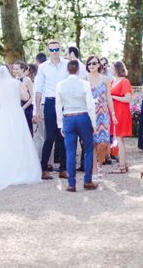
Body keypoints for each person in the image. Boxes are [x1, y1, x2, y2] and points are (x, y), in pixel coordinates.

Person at [55, 60, 99, 192]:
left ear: (67, 70)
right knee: (88, 149)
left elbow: (58, 107)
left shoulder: (60, 85)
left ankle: (71, 184)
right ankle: (87, 181)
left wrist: (60, 124)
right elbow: (91, 105)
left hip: (68, 118)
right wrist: (94, 123)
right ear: (78, 70)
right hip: (83, 116)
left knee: (70, 152)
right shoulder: (85, 84)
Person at [35, 40, 69, 180]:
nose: (54, 52)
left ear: (60, 49)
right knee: (49, 137)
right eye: (52, 50)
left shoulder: (67, 65)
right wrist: (37, 109)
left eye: (57, 49)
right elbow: (38, 89)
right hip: (49, 102)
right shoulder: (43, 67)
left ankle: (63, 168)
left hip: (64, 103)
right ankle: (43, 169)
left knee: (63, 136)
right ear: (48, 51)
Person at [85, 55, 117, 178]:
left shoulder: (105, 79)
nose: (91, 66)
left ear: (99, 64)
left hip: (103, 114)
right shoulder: (84, 79)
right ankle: (94, 170)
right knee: (92, 143)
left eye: (94, 63)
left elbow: (109, 97)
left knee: (103, 143)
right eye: (89, 64)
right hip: (90, 114)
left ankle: (100, 164)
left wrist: (113, 113)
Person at [109, 61, 133, 174]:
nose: (110, 69)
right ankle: (124, 164)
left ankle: (122, 166)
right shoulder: (112, 81)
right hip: (114, 112)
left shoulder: (125, 81)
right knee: (118, 139)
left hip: (121, 112)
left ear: (117, 69)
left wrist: (113, 97)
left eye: (112, 67)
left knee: (119, 139)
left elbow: (128, 98)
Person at [13, 61, 35, 134]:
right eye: (14, 69)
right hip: (16, 108)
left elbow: (32, 97)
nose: (15, 71)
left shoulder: (27, 80)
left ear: (22, 69)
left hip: (27, 108)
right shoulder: (14, 80)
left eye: (17, 69)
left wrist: (23, 108)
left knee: (28, 130)